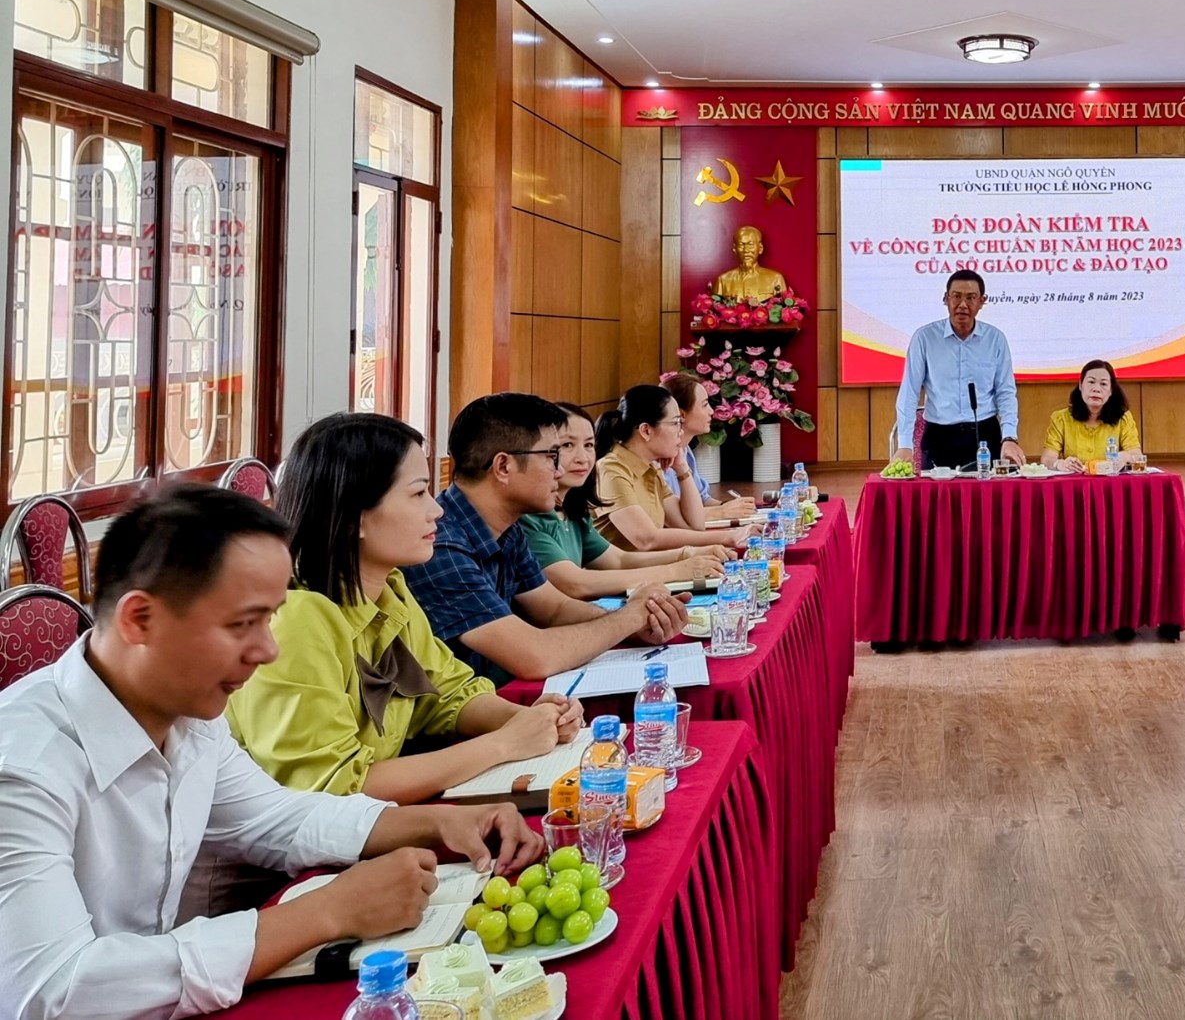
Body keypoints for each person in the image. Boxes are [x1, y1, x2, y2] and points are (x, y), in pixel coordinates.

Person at [0, 485, 542, 1020]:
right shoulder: (21, 765)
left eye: (270, 619)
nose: (268, 651)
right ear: (140, 620)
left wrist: (439, 823)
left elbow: (277, 817)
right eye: (243, 624)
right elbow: (54, 990)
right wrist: (326, 912)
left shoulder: (189, 718)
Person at [227, 413, 583, 805]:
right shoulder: (295, 619)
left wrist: (528, 720)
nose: (437, 510)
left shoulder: (388, 589)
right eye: (418, 494)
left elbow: (447, 693)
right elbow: (334, 787)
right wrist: (503, 744)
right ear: (357, 517)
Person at [408, 393, 688, 685]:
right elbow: (534, 657)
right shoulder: (440, 546)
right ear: (503, 467)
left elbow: (554, 609)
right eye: (552, 456)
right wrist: (630, 618)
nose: (560, 470)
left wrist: (636, 625)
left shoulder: (508, 528)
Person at [525, 401, 729, 600]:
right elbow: (577, 584)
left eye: (588, 445)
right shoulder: (529, 516)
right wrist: (677, 570)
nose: (583, 457)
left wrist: (688, 555)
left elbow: (619, 560)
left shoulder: (573, 509)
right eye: (567, 445)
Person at [592, 384, 753, 553]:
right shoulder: (611, 470)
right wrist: (728, 537)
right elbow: (647, 540)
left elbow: (693, 525)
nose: (681, 432)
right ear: (646, 430)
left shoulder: (651, 468)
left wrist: (682, 468)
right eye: (675, 423)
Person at [890, 269, 1024, 471]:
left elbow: (1005, 393)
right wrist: (905, 445)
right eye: (956, 296)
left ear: (982, 301)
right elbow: (909, 393)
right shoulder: (925, 338)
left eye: (971, 298)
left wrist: (1009, 437)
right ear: (946, 299)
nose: (962, 304)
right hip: (939, 437)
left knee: (989, 492)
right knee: (936, 492)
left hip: (984, 435)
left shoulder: (995, 339)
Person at [658, 371, 756, 527]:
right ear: (681, 414)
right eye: (704, 405)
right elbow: (669, 517)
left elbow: (702, 499)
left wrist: (733, 507)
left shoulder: (685, 451)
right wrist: (721, 511)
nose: (711, 411)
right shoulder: (657, 460)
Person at [1042, 359, 1146, 472]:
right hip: (1075, 481)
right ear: (1081, 385)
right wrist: (1059, 464)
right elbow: (1047, 459)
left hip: (1110, 481)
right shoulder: (1061, 418)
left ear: (1111, 390)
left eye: (1103, 384)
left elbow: (1137, 456)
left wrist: (1125, 456)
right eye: (1091, 382)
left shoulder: (1123, 418)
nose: (1096, 389)